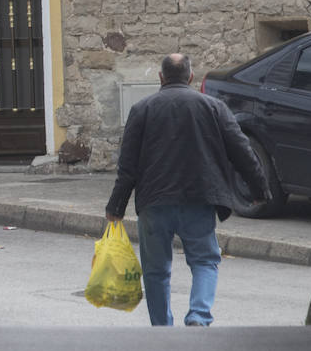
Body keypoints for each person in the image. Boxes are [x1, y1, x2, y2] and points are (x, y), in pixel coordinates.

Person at [105, 52, 271, 327]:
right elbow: (242, 150)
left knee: (156, 271)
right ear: (191, 76)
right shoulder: (213, 107)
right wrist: (259, 190)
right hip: (199, 199)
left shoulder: (142, 109)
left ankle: (161, 327)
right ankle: (198, 315)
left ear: (161, 77)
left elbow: (128, 166)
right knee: (205, 261)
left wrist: (116, 207)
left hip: (154, 202)